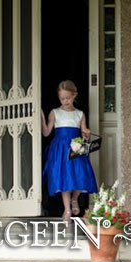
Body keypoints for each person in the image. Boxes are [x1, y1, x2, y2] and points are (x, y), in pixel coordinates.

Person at [41, 80, 98, 221]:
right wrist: (42, 119)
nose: (65, 101)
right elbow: (47, 132)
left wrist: (87, 132)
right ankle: (67, 209)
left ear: (74, 95)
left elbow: (84, 131)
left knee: (82, 174)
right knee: (64, 177)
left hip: (76, 146)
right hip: (60, 148)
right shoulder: (55, 112)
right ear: (59, 97)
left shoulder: (80, 114)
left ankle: (75, 199)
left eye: (68, 98)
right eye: (62, 98)